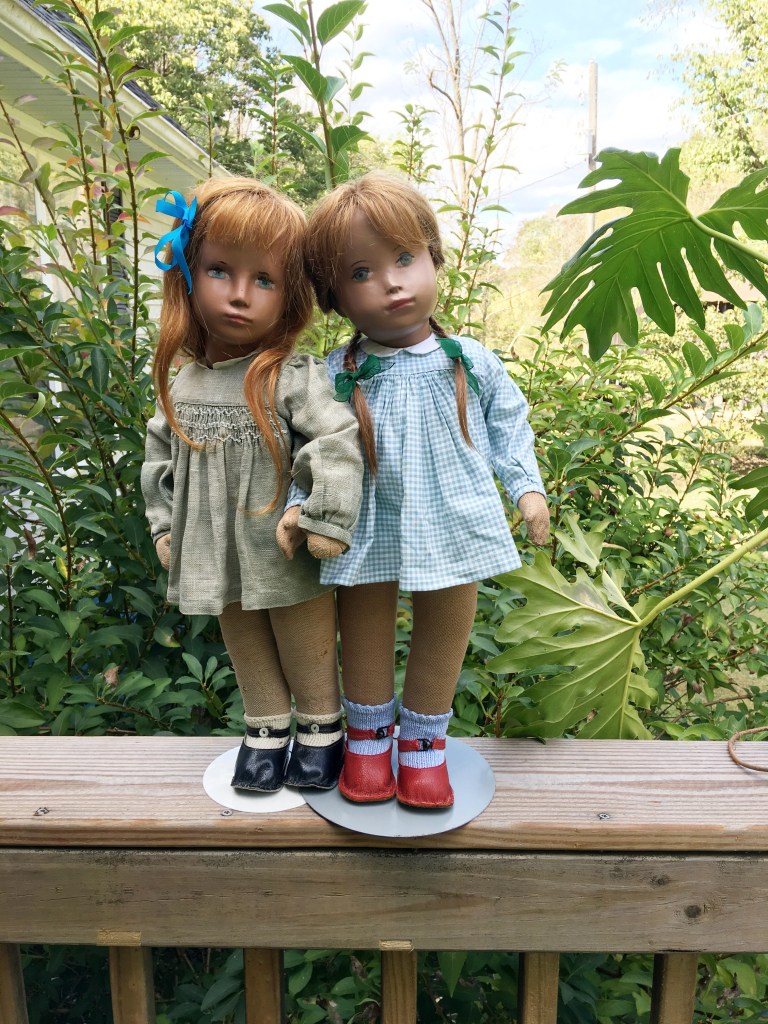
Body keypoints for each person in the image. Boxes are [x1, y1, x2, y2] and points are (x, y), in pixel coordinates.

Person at [279, 172, 549, 809]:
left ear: (434, 256)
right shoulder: (337, 373)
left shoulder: (468, 360)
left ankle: (424, 746)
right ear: (334, 297)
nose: (392, 282)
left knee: (447, 624)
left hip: (453, 514)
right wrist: (299, 506)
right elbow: (310, 449)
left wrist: (526, 488)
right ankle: (369, 740)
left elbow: (509, 424)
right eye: (361, 272)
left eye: (405, 258)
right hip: (364, 520)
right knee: (362, 623)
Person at [141, 177, 363, 794]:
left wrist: (325, 515)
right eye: (219, 270)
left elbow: (335, 440)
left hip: (282, 545)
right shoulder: (184, 383)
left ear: (288, 297)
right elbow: (159, 459)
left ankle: (321, 729)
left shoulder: (289, 376)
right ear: (187, 275)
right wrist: (165, 526)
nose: (240, 294)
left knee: (305, 638)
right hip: (214, 548)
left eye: (264, 280)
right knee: (243, 640)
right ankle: (264, 728)